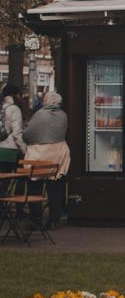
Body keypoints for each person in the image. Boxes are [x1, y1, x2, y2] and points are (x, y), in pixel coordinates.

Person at [22, 89, 70, 225]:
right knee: (55, 187)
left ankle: (36, 217)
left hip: (40, 154)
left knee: (35, 186)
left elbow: (27, 134)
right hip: (59, 153)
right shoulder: (63, 115)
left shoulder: (40, 115)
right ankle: (54, 219)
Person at [0, 86, 26, 168]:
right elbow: (17, 134)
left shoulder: (1, 107)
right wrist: (24, 149)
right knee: (20, 177)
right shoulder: (15, 109)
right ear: (15, 95)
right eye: (19, 94)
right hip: (10, 150)